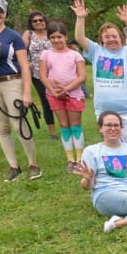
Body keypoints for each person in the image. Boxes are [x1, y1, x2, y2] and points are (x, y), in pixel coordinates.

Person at [74, 0, 127, 155]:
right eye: (107, 37)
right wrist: (80, 18)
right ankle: (120, 174)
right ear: (101, 39)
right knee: (112, 147)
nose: (111, 39)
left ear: (121, 37)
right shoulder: (96, 51)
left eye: (114, 36)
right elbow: (80, 38)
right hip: (104, 111)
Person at [0, 0, 42, 181]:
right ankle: (13, 166)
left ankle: (33, 164)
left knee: (19, 124)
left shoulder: (13, 36)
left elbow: (25, 66)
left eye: (0, 11)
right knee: (2, 127)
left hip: (11, 82)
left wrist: (26, 92)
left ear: (6, 14)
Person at [38, 21, 87, 173]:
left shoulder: (75, 55)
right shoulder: (46, 54)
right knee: (64, 125)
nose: (56, 40)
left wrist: (66, 89)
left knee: (75, 125)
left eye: (59, 37)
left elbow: (82, 76)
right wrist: (53, 91)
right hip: (54, 95)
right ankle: (70, 159)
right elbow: (42, 75)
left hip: (73, 94)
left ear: (66, 37)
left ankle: (80, 160)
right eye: (52, 37)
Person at [22, 10, 57, 139]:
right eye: (34, 21)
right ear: (31, 23)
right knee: (46, 101)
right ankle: (52, 132)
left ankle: (67, 126)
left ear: (45, 21)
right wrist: (26, 62)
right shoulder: (29, 34)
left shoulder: (51, 32)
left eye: (40, 20)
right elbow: (20, 50)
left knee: (60, 98)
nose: (38, 23)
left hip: (55, 72)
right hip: (37, 74)